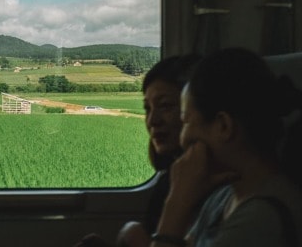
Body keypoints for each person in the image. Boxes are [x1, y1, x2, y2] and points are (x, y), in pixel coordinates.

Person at [152, 47, 302, 247]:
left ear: (223, 126)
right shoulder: (224, 197)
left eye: (186, 121)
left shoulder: (261, 218)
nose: (183, 138)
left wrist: (177, 203)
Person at [75, 54, 201, 247]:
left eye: (165, 106)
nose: (152, 120)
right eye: (148, 109)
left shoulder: (207, 188)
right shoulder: (171, 178)